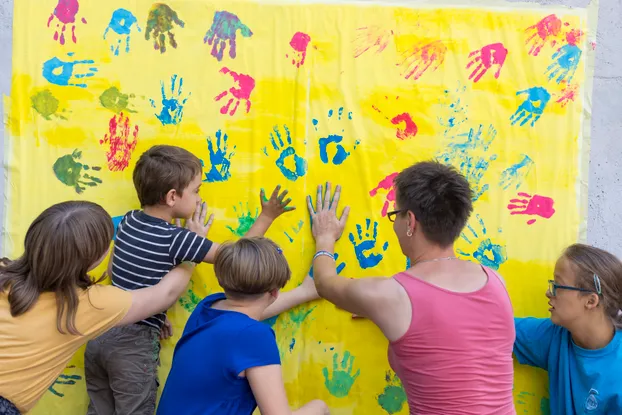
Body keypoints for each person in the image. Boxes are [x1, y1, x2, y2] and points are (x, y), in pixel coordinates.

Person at [85, 145, 295, 415]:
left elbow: (119, 271)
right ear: (173, 196)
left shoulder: (128, 220)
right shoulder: (179, 239)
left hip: (100, 332)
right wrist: (266, 217)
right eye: (196, 191)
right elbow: (239, 260)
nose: (198, 199)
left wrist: (154, 313)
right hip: (132, 348)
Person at [307, 161, 516, 414]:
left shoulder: (390, 295)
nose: (394, 224)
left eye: (395, 215)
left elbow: (325, 283)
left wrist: (326, 237)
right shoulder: (496, 281)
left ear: (411, 222)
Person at [0, 201, 197, 414]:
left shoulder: (4, 272)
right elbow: (163, 294)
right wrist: (191, 253)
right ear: (95, 258)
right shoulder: (90, 303)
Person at [157, 237, 329, 415]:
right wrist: (319, 408)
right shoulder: (255, 336)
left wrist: (303, 292)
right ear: (275, 292)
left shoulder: (207, 307)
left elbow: (247, 314)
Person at [514, 244, 622, 414]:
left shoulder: (618, 369)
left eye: (557, 285)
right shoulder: (553, 337)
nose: (548, 293)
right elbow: (497, 326)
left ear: (590, 301)